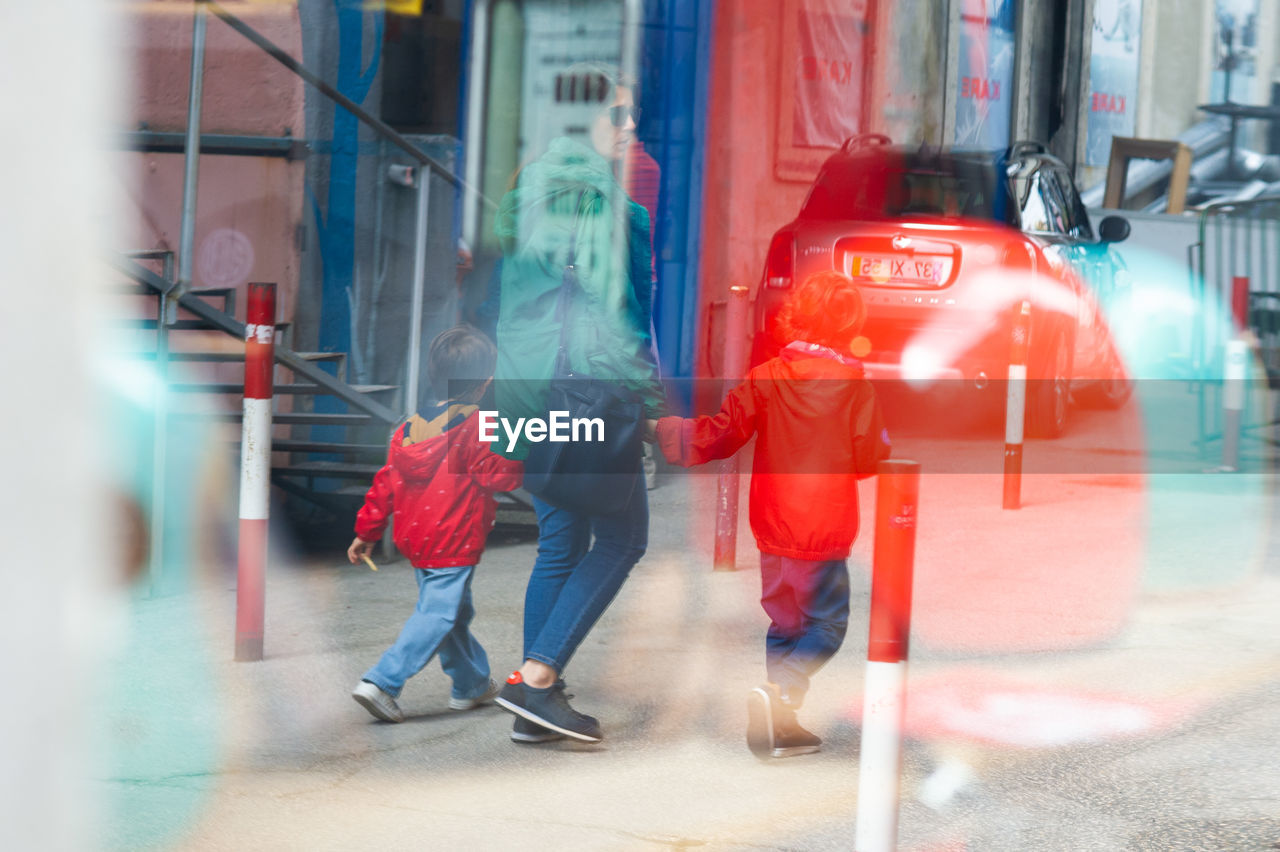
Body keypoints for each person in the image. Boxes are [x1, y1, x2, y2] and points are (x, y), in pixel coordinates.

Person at [490, 64, 664, 744]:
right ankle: (535, 678)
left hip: (532, 390)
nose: (630, 129)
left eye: (632, 114)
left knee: (562, 542)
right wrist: (649, 404)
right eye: (616, 116)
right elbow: (618, 322)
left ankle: (536, 706)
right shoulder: (600, 206)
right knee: (625, 537)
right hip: (589, 391)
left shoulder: (529, 188)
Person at [654, 271, 892, 758]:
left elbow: (720, 434)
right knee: (825, 625)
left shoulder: (765, 378)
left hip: (772, 526)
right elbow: (869, 460)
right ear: (851, 326)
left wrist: (665, 430)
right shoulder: (855, 387)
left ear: (797, 318)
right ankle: (779, 693)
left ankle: (779, 724)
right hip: (824, 529)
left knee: (784, 623)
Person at [348, 324, 523, 723]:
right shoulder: (481, 425)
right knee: (438, 614)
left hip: (418, 539)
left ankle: (471, 685)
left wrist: (366, 532)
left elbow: (385, 482)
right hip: (454, 539)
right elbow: (502, 476)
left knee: (453, 614)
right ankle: (382, 681)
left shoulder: (407, 428)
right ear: (485, 383)